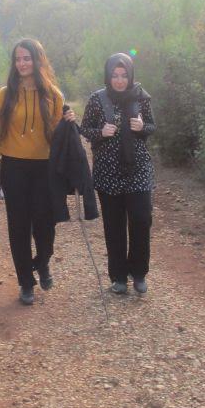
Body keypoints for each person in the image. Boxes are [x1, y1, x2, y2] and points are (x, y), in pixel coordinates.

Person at [0, 38, 74, 305]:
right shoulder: (5, 95)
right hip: (14, 168)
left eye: (27, 58)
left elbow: (58, 137)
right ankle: (26, 282)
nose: (22, 64)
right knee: (19, 227)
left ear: (38, 60)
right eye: (18, 59)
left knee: (45, 225)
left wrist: (69, 123)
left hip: (45, 169)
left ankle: (43, 261)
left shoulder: (53, 95)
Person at [78, 53, 156, 294]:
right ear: (108, 76)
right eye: (115, 75)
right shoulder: (97, 99)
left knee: (141, 219)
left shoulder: (141, 97)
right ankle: (119, 277)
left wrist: (143, 127)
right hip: (108, 171)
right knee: (114, 226)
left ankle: (139, 273)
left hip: (138, 169)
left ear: (130, 76)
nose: (120, 80)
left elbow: (152, 126)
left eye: (124, 75)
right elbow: (85, 129)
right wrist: (101, 132)